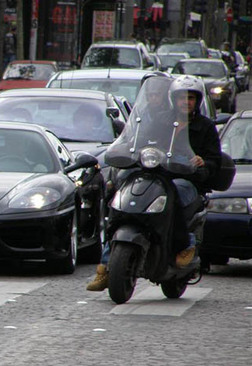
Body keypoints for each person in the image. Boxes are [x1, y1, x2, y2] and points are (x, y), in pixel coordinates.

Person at [86, 75, 222, 291]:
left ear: (197, 101)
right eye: (181, 98)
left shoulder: (205, 126)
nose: (185, 102)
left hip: (186, 178)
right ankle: (105, 265)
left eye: (190, 98)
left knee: (175, 193)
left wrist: (203, 162)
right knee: (120, 194)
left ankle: (184, 244)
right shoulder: (161, 119)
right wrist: (129, 148)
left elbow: (215, 158)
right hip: (156, 172)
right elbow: (142, 139)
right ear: (173, 99)